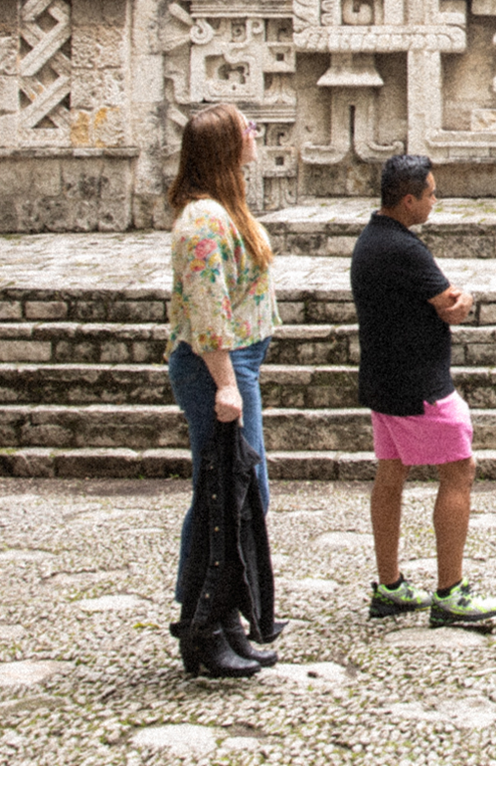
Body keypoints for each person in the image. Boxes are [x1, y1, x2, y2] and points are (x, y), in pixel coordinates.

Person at [352, 153, 496, 629]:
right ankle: (450, 591)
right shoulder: (404, 248)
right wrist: (465, 299)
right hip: (419, 384)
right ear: (408, 199)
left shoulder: (370, 240)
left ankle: (390, 584)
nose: (435, 201)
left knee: (391, 475)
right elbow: (449, 304)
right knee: (460, 469)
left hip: (383, 380)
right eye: (431, 194)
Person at [163, 102, 281, 678]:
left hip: (237, 362)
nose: (254, 136)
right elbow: (208, 312)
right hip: (217, 366)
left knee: (239, 495)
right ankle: (202, 625)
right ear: (226, 147)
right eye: (246, 130)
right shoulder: (203, 221)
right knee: (221, 497)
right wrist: (227, 385)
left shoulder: (220, 209)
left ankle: (228, 618)